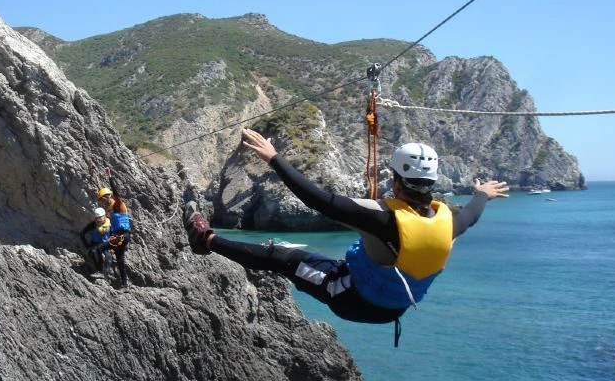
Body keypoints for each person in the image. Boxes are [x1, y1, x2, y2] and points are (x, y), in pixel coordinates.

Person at [183, 128, 509, 345]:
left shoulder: (383, 219)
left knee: (284, 257)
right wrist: (482, 193)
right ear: (432, 182)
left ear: (396, 181)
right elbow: (473, 212)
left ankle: (206, 241)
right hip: (393, 308)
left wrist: (273, 158)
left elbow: (318, 200)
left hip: (353, 301)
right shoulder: (450, 221)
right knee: (319, 261)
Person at [97, 167, 132, 287]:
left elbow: (115, 192)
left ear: (107, 197)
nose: (102, 203)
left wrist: (109, 176)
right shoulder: (110, 210)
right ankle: (125, 286)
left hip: (123, 235)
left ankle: (101, 273)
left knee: (99, 248)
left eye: (102, 200)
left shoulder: (118, 204)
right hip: (119, 236)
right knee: (120, 261)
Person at [80, 207, 114, 279]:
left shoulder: (110, 224)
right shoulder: (93, 225)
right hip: (95, 244)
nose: (98, 220)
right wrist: (87, 245)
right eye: (96, 218)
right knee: (93, 252)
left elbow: (113, 235)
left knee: (108, 257)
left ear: (104, 216)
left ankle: (105, 275)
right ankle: (99, 271)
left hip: (105, 244)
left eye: (100, 218)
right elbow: (82, 233)